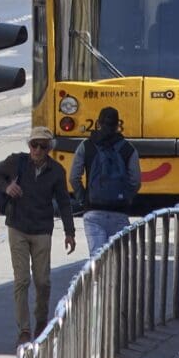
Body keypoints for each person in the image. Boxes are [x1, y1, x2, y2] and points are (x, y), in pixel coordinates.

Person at [0, 126, 77, 341]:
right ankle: (24, 329)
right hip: (18, 227)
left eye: (43, 146)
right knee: (21, 280)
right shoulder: (17, 161)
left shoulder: (57, 171)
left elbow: (65, 203)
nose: (38, 150)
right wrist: (7, 186)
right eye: (34, 145)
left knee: (43, 281)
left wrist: (69, 232)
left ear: (49, 148)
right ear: (29, 145)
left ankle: (41, 320)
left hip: (42, 230)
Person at [69, 106, 141, 254]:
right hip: (119, 212)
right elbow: (135, 181)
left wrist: (84, 199)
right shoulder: (128, 148)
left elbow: (74, 177)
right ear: (118, 125)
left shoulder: (86, 146)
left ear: (98, 123)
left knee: (97, 259)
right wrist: (126, 199)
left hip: (93, 212)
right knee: (118, 260)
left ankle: (97, 278)